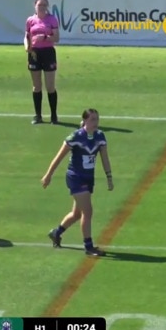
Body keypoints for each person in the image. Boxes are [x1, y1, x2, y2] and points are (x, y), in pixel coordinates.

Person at [41, 109, 113, 256]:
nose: (95, 123)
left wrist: (109, 177)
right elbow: (59, 157)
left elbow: (105, 158)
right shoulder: (76, 137)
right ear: (85, 121)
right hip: (75, 177)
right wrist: (48, 175)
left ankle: (56, 232)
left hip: (88, 178)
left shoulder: (100, 136)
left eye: (97, 119)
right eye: (92, 119)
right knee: (88, 211)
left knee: (77, 214)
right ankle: (88, 246)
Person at [24, 0, 60, 125]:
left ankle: (54, 116)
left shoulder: (52, 19)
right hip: (34, 54)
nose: (42, 7)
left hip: (48, 53)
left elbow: (56, 38)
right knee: (37, 86)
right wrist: (26, 46)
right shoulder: (30, 20)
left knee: (50, 86)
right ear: (35, 6)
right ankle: (38, 115)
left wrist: (44, 37)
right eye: (40, 5)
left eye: (44, 5)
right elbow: (27, 36)